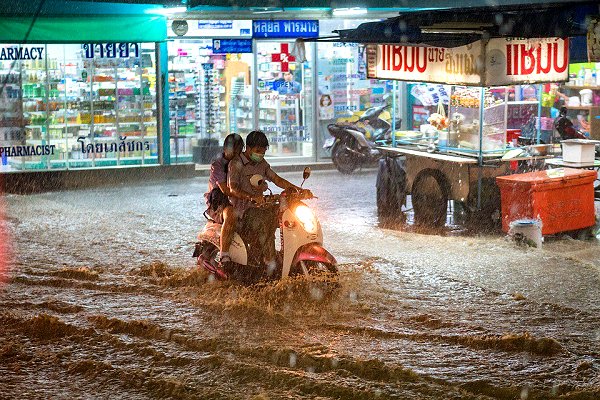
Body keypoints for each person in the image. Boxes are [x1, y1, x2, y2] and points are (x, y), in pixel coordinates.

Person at [226, 130, 306, 268]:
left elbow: (276, 179)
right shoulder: (236, 164)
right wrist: (251, 197)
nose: (260, 155)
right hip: (243, 212)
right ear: (248, 148)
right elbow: (233, 189)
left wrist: (298, 190)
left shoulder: (261, 163)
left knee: (289, 215)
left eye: (263, 152)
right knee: (266, 219)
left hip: (260, 207)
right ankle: (269, 260)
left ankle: (289, 254)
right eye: (258, 151)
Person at [203, 133, 245, 264]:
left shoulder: (242, 163)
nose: (236, 154)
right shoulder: (218, 165)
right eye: (233, 150)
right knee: (231, 214)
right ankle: (224, 255)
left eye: (239, 151)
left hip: (238, 201)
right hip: (219, 203)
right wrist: (249, 195)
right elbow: (226, 190)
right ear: (225, 148)